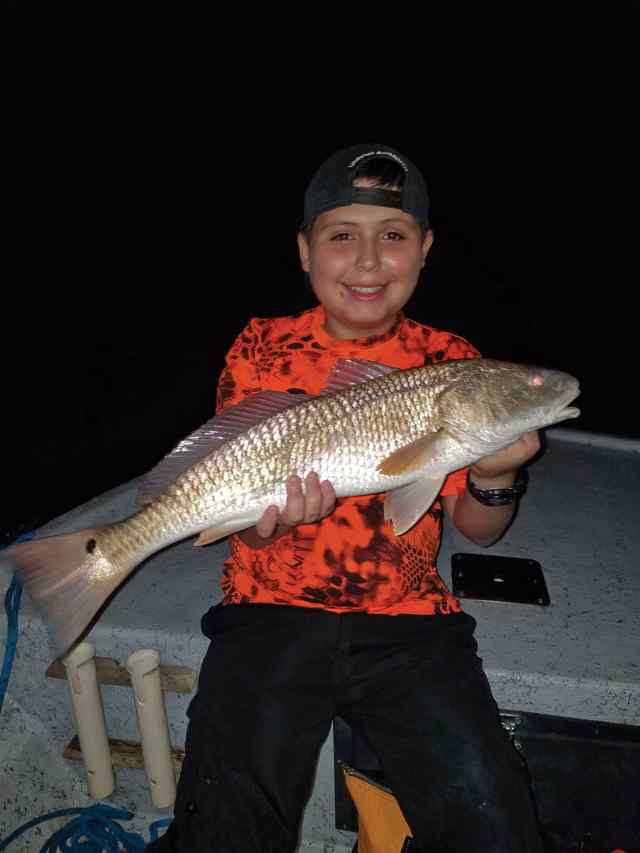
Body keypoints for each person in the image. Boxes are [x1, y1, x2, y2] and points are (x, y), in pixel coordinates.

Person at [148, 144, 544, 852]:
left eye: (392, 235)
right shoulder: (263, 347)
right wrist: (271, 524)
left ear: (424, 249)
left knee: (494, 823)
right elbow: (242, 524)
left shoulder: (453, 362)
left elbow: (479, 529)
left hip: (412, 623)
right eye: (341, 236)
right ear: (305, 251)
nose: (367, 260)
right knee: (226, 826)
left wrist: (498, 474)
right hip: (268, 611)